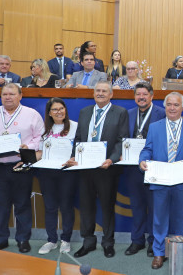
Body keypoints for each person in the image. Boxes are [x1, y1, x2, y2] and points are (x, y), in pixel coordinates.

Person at [64, 81, 129, 258]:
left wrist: (112, 159)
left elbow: (121, 141)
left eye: (104, 91)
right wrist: (73, 156)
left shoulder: (120, 113)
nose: (100, 93)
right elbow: (78, 139)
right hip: (85, 168)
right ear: (93, 94)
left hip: (106, 168)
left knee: (107, 207)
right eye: (97, 91)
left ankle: (108, 243)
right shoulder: (85, 112)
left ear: (111, 95)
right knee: (86, 207)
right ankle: (88, 242)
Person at [139, 92, 183, 269]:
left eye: (176, 105)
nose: (172, 108)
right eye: (169, 105)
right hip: (160, 179)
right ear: (165, 107)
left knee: (181, 219)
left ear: (182, 107)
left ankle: (182, 254)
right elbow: (147, 150)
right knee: (159, 219)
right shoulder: (155, 127)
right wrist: (142, 161)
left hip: (182, 180)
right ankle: (159, 253)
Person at [0, 84, 44, 252]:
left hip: (21, 166)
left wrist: (28, 146)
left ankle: (23, 239)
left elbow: (41, 137)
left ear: (20, 95)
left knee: (22, 204)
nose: (8, 97)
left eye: (12, 94)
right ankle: (1, 238)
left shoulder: (32, 114)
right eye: (4, 94)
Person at [124, 82, 165, 258]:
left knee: (155, 208)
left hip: (154, 167)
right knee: (137, 206)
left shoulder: (162, 114)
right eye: (138, 94)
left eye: (144, 94)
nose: (141, 97)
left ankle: (154, 242)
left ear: (152, 95)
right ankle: (137, 240)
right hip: (133, 168)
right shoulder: (128, 114)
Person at [34, 98, 78, 255]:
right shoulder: (44, 129)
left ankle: (66, 240)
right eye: (55, 109)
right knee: (50, 207)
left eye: (61, 108)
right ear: (49, 113)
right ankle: (51, 240)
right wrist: (27, 158)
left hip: (67, 173)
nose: (59, 112)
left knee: (66, 207)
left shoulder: (75, 127)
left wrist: (74, 159)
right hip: (46, 173)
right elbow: (39, 152)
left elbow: (80, 150)